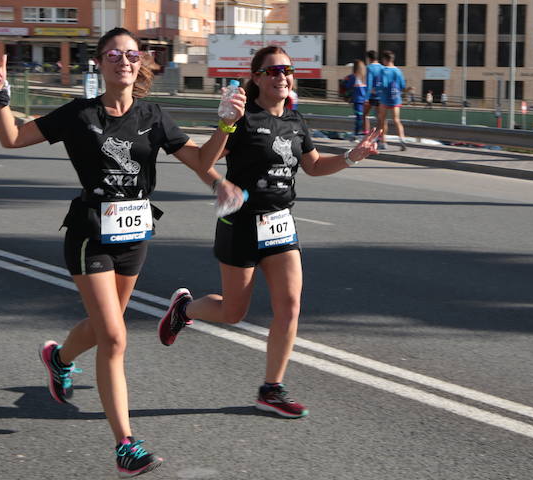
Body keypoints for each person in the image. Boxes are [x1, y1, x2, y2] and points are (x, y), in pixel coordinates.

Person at [0, 27, 245, 478]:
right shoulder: (79, 114)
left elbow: (200, 162)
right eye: (114, 54)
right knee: (116, 337)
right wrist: (0, 100)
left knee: (107, 328)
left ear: (140, 63)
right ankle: (125, 444)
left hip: (134, 235)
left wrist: (224, 129)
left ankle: (59, 358)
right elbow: (12, 139)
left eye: (132, 54)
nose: (124, 60)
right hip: (89, 234)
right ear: (100, 64)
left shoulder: (152, 116)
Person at [157, 46, 380, 419]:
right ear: (257, 77)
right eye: (273, 70)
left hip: (280, 223)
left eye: (287, 70)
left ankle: (271, 388)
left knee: (290, 307)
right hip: (241, 224)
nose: (281, 76)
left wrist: (349, 157)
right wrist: (224, 138)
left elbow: (312, 166)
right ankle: (183, 309)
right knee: (232, 312)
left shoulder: (295, 121)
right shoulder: (242, 118)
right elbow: (204, 162)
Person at [376, 51, 407, 151]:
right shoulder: (398, 71)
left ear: (385, 59)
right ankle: (402, 139)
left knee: (382, 120)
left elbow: (383, 85)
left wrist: (377, 89)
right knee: (397, 120)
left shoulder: (383, 70)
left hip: (385, 98)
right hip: (396, 98)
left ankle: (383, 142)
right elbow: (402, 86)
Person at [342, 59, 368, 137]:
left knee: (359, 117)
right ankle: (364, 131)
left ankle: (357, 132)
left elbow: (347, 86)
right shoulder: (365, 77)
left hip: (357, 100)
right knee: (364, 116)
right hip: (365, 100)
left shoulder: (353, 77)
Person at [362, 50, 384, 134]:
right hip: (381, 96)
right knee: (379, 117)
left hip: (372, 96)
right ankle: (379, 135)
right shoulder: (382, 67)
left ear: (369, 58)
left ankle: (366, 133)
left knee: (364, 114)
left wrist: (366, 98)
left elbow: (369, 84)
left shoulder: (369, 68)